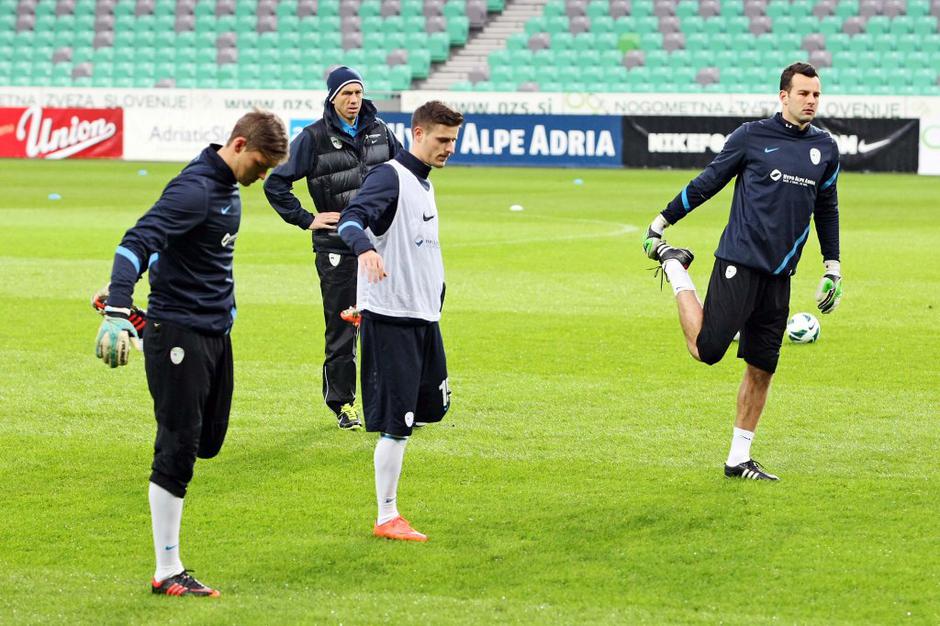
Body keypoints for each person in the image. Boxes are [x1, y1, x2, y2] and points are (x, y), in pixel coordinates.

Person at [93, 110, 288, 596]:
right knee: (178, 446)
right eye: (261, 165)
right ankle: (167, 570)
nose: (262, 176)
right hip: (180, 333)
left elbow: (182, 250)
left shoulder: (227, 192)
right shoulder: (196, 189)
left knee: (210, 441)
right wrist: (118, 305)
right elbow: (138, 241)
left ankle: (147, 323)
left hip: (214, 333)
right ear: (239, 144)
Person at [642, 62, 843, 481]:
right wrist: (661, 224)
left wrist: (832, 266)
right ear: (783, 96)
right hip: (738, 262)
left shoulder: (825, 149)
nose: (811, 101)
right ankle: (675, 266)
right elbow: (708, 182)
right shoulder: (751, 136)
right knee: (707, 350)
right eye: (803, 93)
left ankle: (738, 458)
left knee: (762, 367)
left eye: (816, 95)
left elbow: (827, 208)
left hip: (780, 274)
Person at [337, 100, 463, 541]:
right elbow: (352, 220)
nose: (449, 147)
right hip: (394, 320)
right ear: (417, 134)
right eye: (441, 140)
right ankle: (387, 516)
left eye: (453, 140)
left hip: (423, 318)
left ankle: (389, 509)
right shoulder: (391, 176)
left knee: (432, 409)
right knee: (398, 422)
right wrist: (364, 252)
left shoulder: (424, 184)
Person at [264, 66, 403, 431]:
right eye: (346, 94)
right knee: (343, 326)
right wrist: (306, 218)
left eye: (358, 93)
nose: (354, 100)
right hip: (336, 247)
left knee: (389, 323)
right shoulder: (313, 137)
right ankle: (344, 404)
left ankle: (392, 402)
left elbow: (405, 172)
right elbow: (275, 183)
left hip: (380, 244)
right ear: (332, 97)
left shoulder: (380, 131)